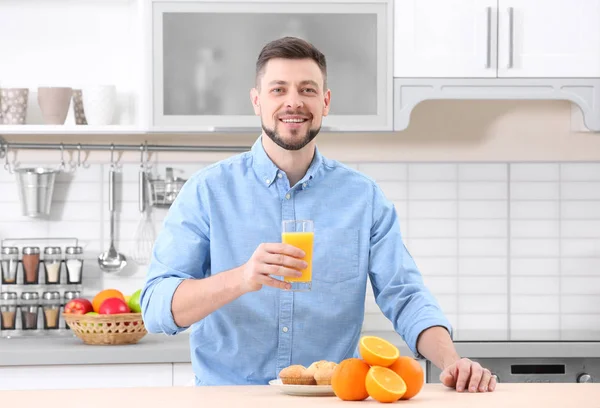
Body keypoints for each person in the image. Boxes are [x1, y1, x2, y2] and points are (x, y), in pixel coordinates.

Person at [141, 36, 497, 393]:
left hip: (330, 398)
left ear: (325, 102)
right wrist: (242, 277)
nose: (293, 101)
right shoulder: (207, 191)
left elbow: (404, 294)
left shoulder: (363, 197)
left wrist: (453, 363)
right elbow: (156, 308)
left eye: (307, 89)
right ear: (256, 101)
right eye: (278, 89)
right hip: (229, 396)